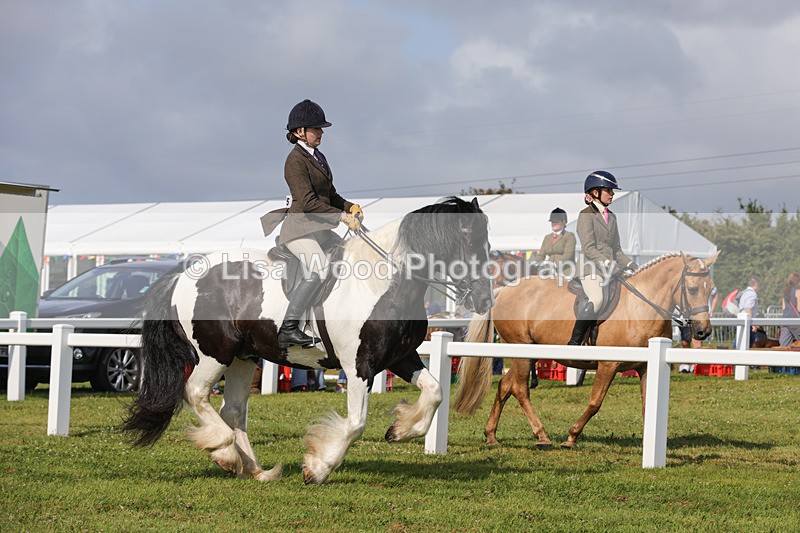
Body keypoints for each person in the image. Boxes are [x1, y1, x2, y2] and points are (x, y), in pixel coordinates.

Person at [276, 99, 364, 348]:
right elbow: (308, 202)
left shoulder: (318, 157)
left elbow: (331, 195)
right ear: (299, 132)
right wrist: (340, 217)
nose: (321, 132)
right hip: (299, 230)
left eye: (321, 128)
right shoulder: (294, 161)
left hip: (320, 230)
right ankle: (289, 327)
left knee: (349, 259)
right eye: (316, 128)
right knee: (320, 269)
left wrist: (349, 207)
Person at [568, 171, 638, 346]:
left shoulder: (612, 217)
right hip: (590, 268)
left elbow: (617, 250)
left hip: (610, 269)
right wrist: (607, 263)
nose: (612, 194)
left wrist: (630, 263)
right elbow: (589, 248)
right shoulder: (586, 215)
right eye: (609, 190)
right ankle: (574, 342)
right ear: (595, 192)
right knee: (597, 299)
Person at [678, 286, 718, 372]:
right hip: (684, 316)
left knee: (697, 341)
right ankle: (686, 364)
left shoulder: (706, 282)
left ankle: (696, 365)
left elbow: (715, 295)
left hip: (698, 316)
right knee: (685, 342)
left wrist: (711, 310)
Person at [738, 276, 766, 347]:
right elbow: (748, 308)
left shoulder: (744, 293)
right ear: (756, 285)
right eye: (759, 285)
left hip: (742, 320)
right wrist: (752, 324)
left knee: (740, 342)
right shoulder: (752, 294)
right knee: (750, 344)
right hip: (748, 322)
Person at [779, 272, 800, 347]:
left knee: (784, 346)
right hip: (795, 322)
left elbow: (784, 308)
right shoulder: (798, 291)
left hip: (785, 321)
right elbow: (799, 308)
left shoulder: (786, 292)